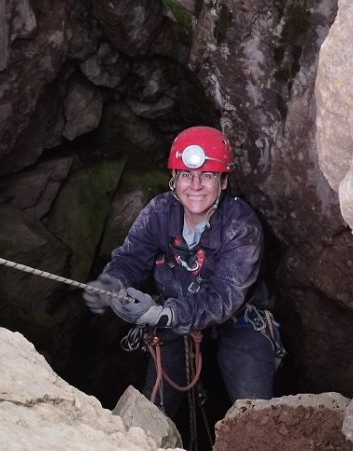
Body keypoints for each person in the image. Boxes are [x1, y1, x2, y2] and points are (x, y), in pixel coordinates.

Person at [82, 126, 282, 418]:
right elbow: (131, 258)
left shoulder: (241, 225)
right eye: (186, 175)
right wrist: (113, 283)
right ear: (174, 180)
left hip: (239, 322)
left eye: (208, 176)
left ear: (223, 181)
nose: (196, 185)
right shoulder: (160, 212)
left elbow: (224, 297)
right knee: (154, 411)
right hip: (172, 317)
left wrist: (169, 314)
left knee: (254, 414)